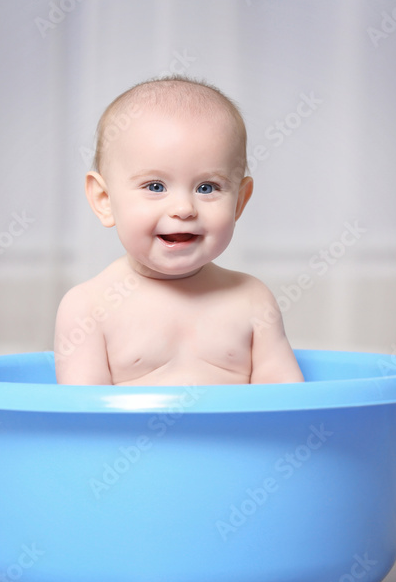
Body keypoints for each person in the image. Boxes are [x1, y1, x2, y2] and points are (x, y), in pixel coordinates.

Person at [54, 76, 303, 386]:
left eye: (207, 187)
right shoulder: (88, 307)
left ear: (239, 202)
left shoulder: (253, 300)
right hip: (129, 437)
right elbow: (83, 418)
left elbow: (287, 402)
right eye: (155, 186)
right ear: (104, 200)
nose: (184, 208)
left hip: (234, 437)